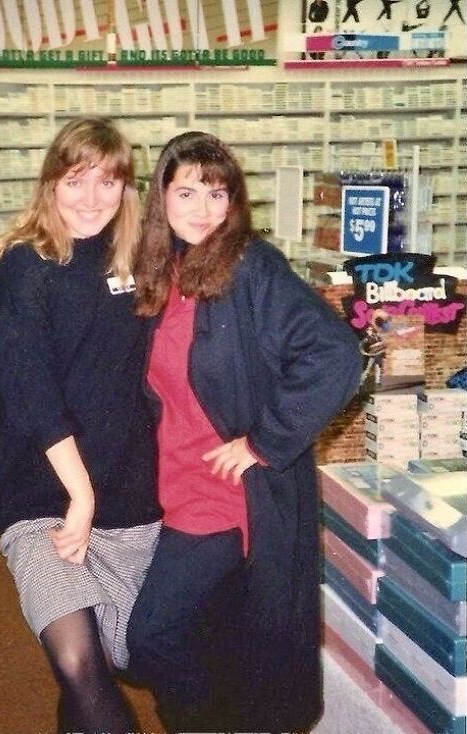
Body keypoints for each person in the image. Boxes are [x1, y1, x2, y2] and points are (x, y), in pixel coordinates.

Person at [126, 131, 362, 733]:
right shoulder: (163, 270)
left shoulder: (251, 266)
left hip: (223, 494)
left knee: (150, 635)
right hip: (169, 483)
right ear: (161, 199)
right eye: (186, 193)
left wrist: (264, 441)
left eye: (216, 193)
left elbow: (336, 354)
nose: (202, 209)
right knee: (215, 633)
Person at [0, 117, 161, 734]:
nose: (91, 199)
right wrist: (79, 496)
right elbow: (30, 393)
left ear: (127, 189)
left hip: (130, 497)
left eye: (108, 182)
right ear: (50, 183)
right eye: (75, 180)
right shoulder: (27, 269)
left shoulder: (134, 258)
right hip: (48, 501)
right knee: (79, 660)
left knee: (98, 664)